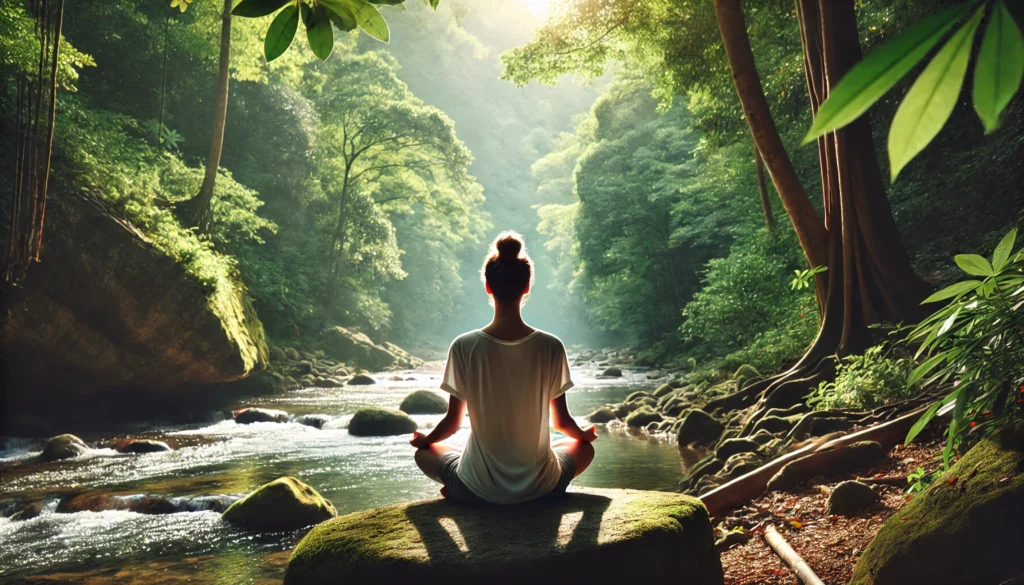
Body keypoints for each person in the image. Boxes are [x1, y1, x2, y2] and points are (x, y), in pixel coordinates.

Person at [410, 230, 597, 505]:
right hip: (543, 489)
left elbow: (452, 423)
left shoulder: (464, 346)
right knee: (583, 450)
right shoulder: (551, 346)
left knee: (425, 454)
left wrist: (426, 439)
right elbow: (561, 422)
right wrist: (583, 435)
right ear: (527, 287)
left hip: (476, 490)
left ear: (487, 286)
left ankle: (459, 492)